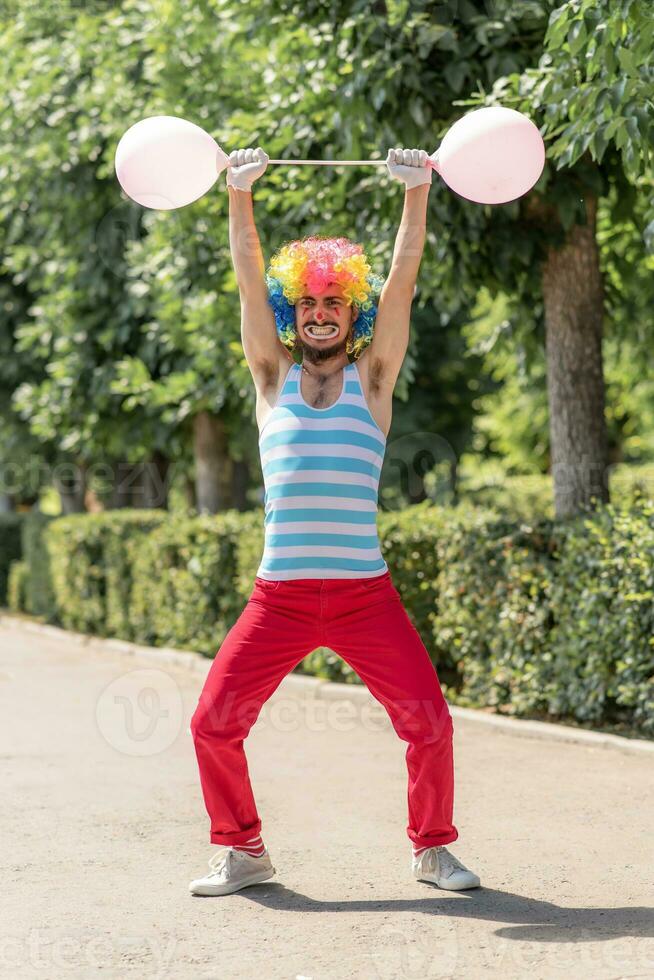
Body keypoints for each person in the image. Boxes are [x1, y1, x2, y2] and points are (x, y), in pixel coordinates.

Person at [189, 147, 480, 897]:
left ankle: (432, 849)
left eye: (335, 305)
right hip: (277, 598)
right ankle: (243, 849)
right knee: (212, 724)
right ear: (295, 311)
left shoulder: (372, 379)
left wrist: (417, 194)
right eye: (308, 305)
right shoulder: (270, 377)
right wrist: (238, 195)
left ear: (353, 312)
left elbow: (405, 281)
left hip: (364, 595)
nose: (320, 315)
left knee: (430, 725)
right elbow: (247, 277)